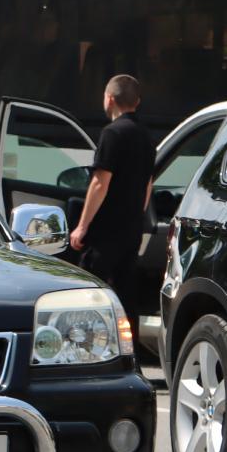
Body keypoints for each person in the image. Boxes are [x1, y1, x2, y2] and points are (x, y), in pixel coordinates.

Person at [69, 73, 157, 316]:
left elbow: (100, 183)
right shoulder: (147, 136)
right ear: (136, 102)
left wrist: (82, 226)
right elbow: (148, 183)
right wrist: (135, 217)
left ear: (109, 99)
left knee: (89, 289)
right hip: (131, 231)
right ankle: (131, 350)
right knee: (126, 295)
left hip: (106, 231)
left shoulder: (112, 133)